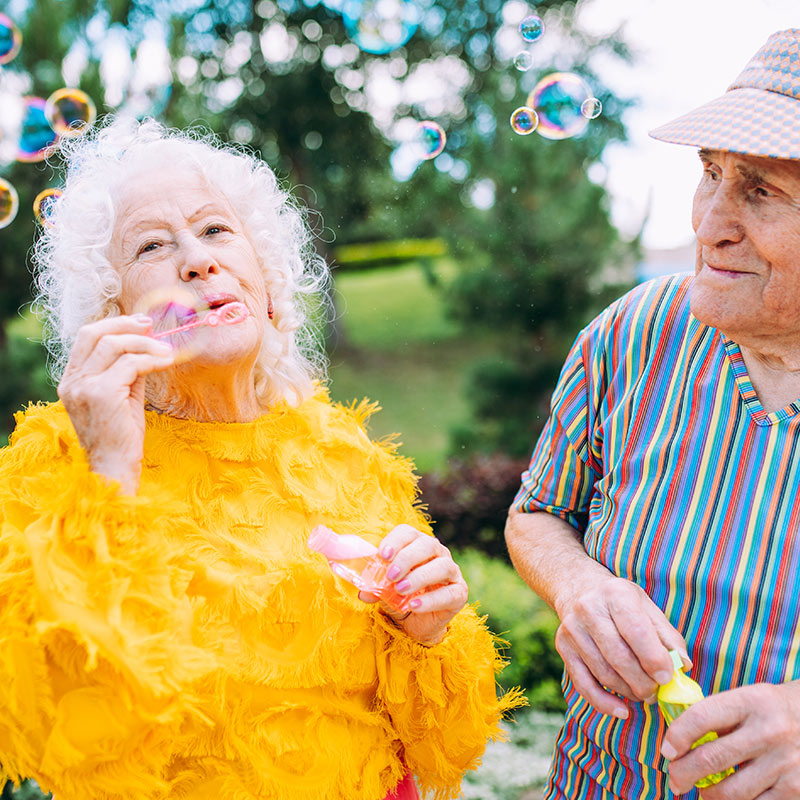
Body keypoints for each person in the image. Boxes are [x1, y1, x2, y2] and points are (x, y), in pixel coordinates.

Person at [0, 117, 521, 800]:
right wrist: (109, 475)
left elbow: (445, 745)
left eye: (216, 230)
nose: (196, 259)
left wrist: (427, 633)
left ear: (269, 286)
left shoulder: (344, 455)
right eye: (153, 246)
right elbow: (46, 724)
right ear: (112, 310)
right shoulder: (55, 463)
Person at [505, 28, 800, 800]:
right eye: (711, 174)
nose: (708, 224)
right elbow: (536, 514)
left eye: (761, 190)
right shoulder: (633, 332)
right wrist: (576, 587)